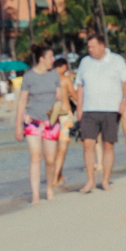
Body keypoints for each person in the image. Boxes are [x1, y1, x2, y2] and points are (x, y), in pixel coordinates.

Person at [74, 29, 126, 192]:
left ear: (102, 46)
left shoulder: (116, 60)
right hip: (89, 109)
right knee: (88, 144)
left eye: (92, 47)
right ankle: (90, 180)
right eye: (88, 47)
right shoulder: (85, 62)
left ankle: (105, 180)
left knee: (108, 145)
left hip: (111, 109)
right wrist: (79, 107)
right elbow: (80, 85)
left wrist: (124, 100)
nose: (90, 50)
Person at [14, 44, 63, 205]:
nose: (53, 60)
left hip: (51, 122)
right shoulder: (29, 76)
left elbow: (59, 97)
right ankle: (35, 195)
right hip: (32, 122)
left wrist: (59, 111)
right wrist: (18, 127)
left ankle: (49, 189)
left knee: (50, 160)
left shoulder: (54, 74)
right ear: (42, 59)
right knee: (35, 158)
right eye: (50, 57)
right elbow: (22, 101)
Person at [53, 58, 78, 187]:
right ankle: (54, 178)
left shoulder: (47, 80)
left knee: (54, 148)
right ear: (63, 67)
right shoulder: (65, 79)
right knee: (62, 149)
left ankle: (59, 175)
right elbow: (75, 95)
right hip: (64, 115)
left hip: (51, 116)